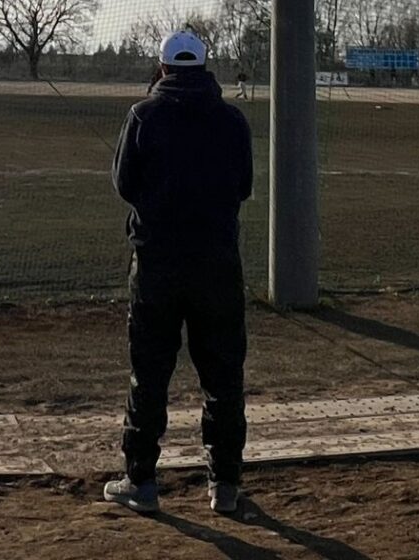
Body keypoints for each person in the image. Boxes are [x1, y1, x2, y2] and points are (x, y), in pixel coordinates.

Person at [104, 30, 253, 516]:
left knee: (148, 376)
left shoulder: (143, 116)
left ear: (163, 67)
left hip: (156, 267)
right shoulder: (232, 120)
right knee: (223, 378)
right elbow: (243, 186)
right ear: (205, 67)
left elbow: (125, 183)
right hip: (218, 266)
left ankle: (141, 479)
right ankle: (224, 484)